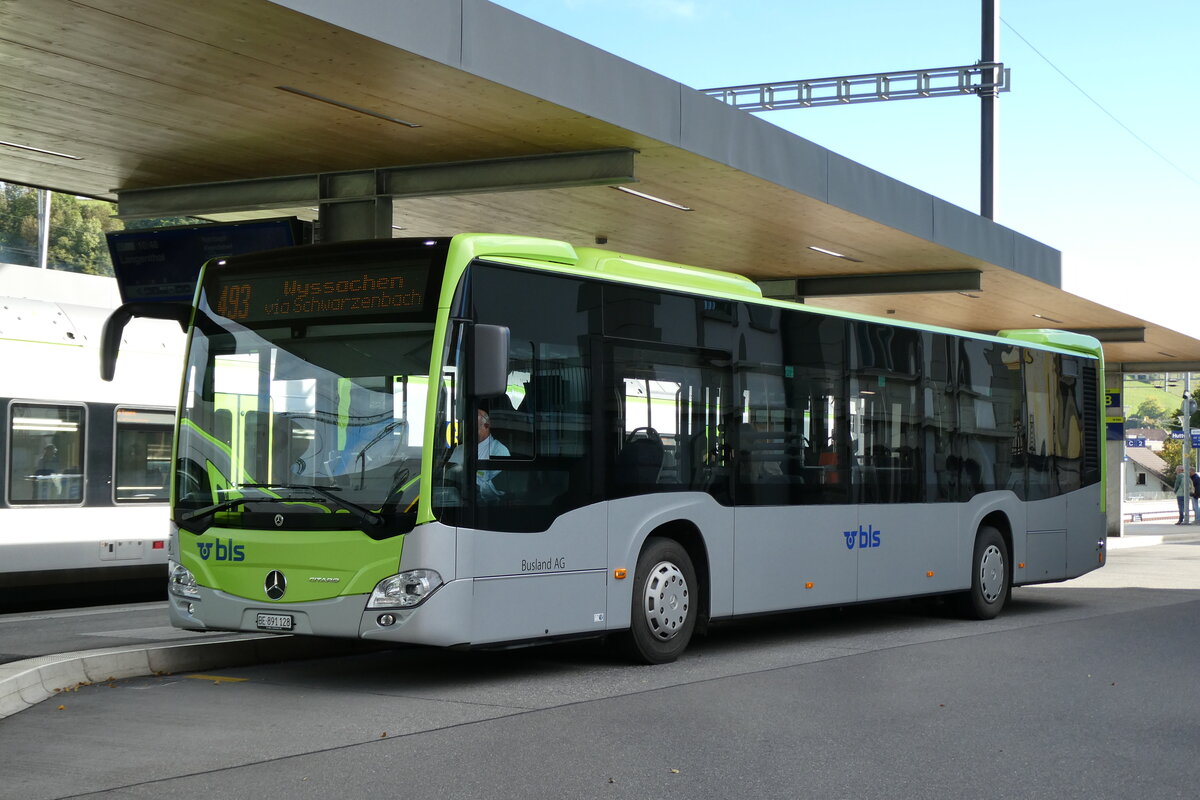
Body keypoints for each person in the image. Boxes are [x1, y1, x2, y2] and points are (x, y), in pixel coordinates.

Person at [450, 409, 509, 502]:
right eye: (469, 426)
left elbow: (499, 487)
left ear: (487, 426)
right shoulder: (459, 449)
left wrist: (474, 486)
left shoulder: (499, 450)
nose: (470, 430)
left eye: (474, 427)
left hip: (484, 507)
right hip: (456, 502)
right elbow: (449, 475)